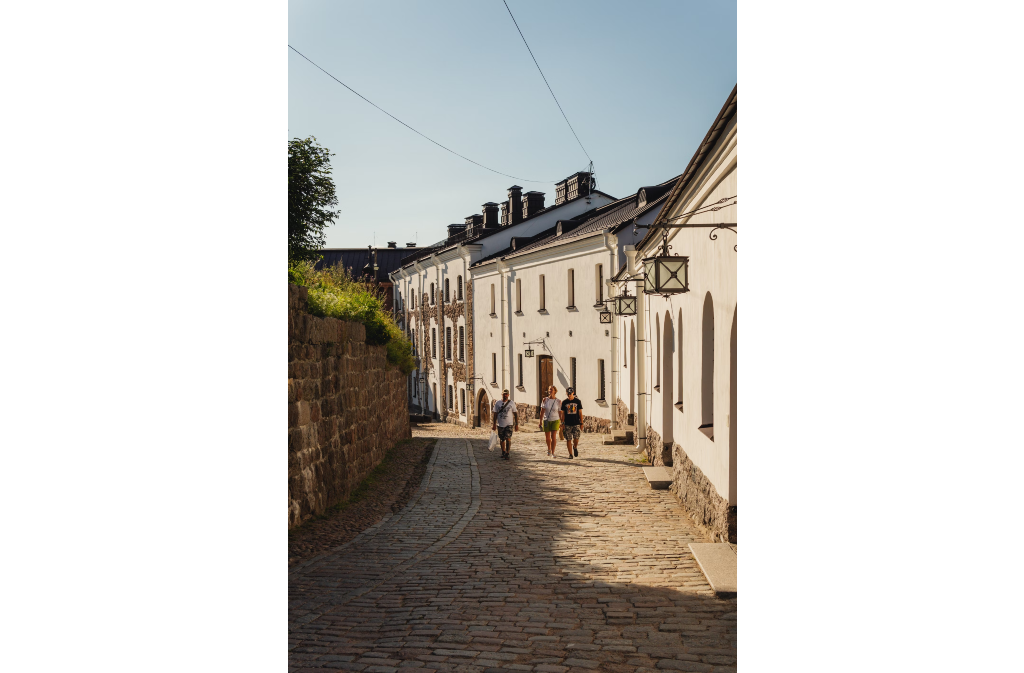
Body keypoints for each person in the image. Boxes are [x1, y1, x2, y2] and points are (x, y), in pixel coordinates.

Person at [491, 389, 518, 460]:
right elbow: (495, 413)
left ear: (508, 395)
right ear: (502, 394)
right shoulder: (498, 403)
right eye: (504, 394)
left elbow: (515, 413)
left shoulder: (511, 403)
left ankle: (507, 453)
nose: (505, 395)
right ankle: (503, 451)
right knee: (502, 439)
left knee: (508, 438)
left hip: (509, 424)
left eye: (506, 394)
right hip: (500, 424)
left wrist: (516, 424)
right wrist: (494, 424)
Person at [559, 387, 583, 459]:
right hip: (567, 423)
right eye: (568, 393)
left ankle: (575, 447)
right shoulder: (564, 402)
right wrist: (562, 423)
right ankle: (570, 454)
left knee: (576, 438)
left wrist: (581, 423)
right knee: (568, 439)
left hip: (576, 423)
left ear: (573, 392)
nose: (569, 395)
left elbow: (580, 413)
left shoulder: (578, 401)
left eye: (570, 393)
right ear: (566, 393)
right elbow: (562, 414)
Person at [539, 385, 561, 458]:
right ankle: (549, 449)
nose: (550, 391)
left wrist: (561, 421)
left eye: (551, 389)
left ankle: (553, 452)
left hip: (555, 420)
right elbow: (542, 411)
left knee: (553, 436)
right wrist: (540, 421)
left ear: (555, 391)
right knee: (548, 437)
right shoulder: (545, 400)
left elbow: (560, 412)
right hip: (546, 420)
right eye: (549, 390)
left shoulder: (558, 401)